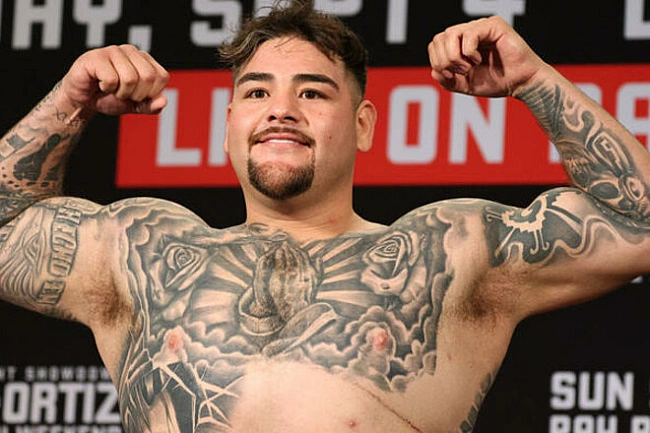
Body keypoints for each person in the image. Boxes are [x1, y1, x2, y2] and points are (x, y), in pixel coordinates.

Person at [0, 0, 649, 431]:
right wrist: (68, 102)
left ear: (363, 125)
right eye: (257, 91)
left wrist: (532, 80)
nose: (281, 109)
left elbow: (637, 224)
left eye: (312, 92)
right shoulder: (140, 251)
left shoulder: (445, 255)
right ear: (229, 124)